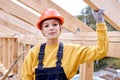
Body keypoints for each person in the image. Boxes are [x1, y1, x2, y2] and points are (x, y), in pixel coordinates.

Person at [21, 8, 109, 80]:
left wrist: (100, 22)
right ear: (42, 31)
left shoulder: (72, 51)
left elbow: (101, 51)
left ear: (60, 28)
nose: (51, 28)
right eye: (46, 26)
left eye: (55, 24)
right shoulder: (33, 53)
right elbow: (26, 77)